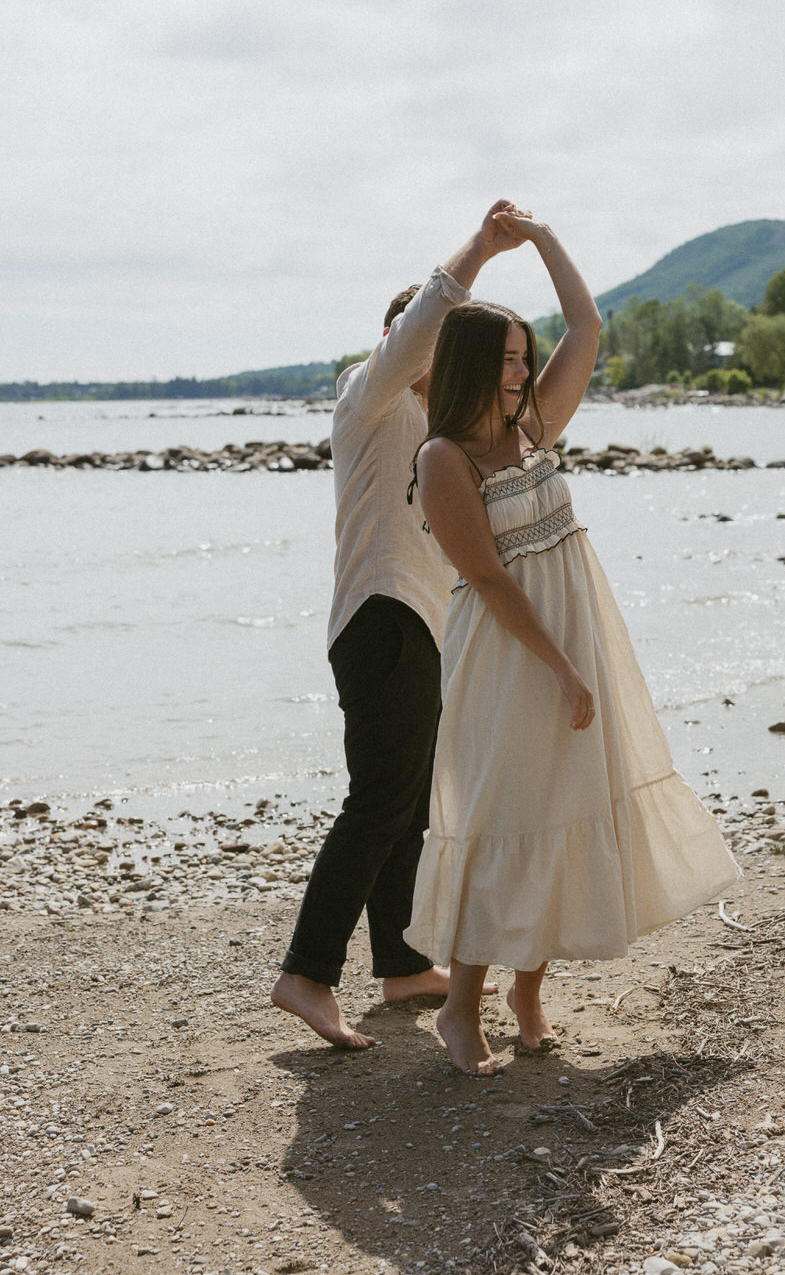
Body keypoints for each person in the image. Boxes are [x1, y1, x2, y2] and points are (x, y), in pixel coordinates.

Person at [405, 211, 740, 1075]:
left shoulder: (533, 429)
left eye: (525, 357)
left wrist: (544, 239)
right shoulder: (445, 457)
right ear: (475, 364)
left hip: (569, 641)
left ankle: (528, 992)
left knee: (559, 808)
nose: (521, 371)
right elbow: (486, 579)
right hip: (508, 655)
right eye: (509, 359)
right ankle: (460, 1008)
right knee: (498, 816)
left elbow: (588, 326)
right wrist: (560, 668)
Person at [271, 201, 528, 1048]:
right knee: (379, 799)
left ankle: (404, 964)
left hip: (421, 625)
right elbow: (426, 318)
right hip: (378, 617)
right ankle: (306, 974)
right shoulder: (368, 398)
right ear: (398, 345)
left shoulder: (439, 430)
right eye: (419, 341)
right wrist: (481, 253)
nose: (428, 356)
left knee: (410, 800)